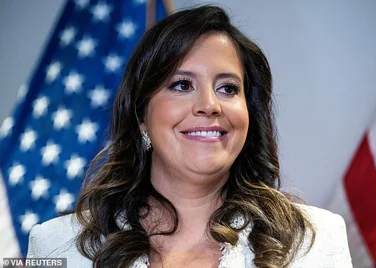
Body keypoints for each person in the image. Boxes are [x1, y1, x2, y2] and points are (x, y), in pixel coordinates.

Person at [27, 5, 352, 268]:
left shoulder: (316, 240)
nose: (210, 105)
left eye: (227, 88)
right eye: (181, 85)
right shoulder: (55, 246)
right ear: (142, 116)